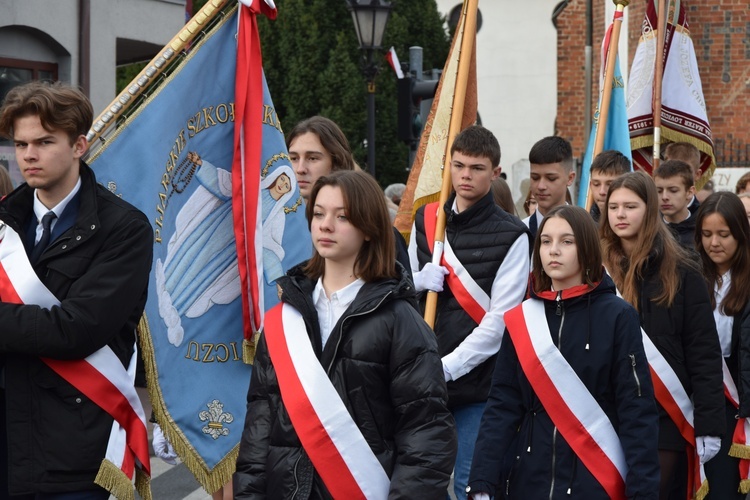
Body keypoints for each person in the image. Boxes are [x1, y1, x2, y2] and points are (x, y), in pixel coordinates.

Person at [233, 170, 457, 498]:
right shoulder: (285, 319)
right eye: (319, 214)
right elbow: (260, 426)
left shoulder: (401, 321)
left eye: (342, 216)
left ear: (368, 228)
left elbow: (425, 434)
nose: (325, 225)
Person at [0, 82, 153, 498]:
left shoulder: (124, 228)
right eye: (20, 143)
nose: (29, 155)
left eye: (45, 141)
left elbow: (77, 329)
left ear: (79, 145)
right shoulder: (4, 223)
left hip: (73, 452)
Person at [467, 205, 660, 499]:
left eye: (566, 242)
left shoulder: (619, 316)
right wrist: (482, 480)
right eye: (546, 241)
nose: (553, 251)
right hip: (528, 480)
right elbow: (502, 405)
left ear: (587, 249)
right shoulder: (521, 320)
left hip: (595, 478)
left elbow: (637, 411)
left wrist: (642, 491)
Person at [409, 125, 530, 500]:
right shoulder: (426, 220)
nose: (464, 175)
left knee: (469, 485)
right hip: (421, 382)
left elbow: (499, 323)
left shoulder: (513, 234)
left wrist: (446, 367)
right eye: (458, 165)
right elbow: (400, 295)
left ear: (495, 173)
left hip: (479, 387)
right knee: (419, 484)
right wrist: (416, 281)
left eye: (476, 168)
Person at [600, 171, 725, 499]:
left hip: (663, 417)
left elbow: (703, 350)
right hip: (604, 412)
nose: (621, 215)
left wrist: (709, 424)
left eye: (630, 206)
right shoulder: (592, 269)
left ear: (650, 209)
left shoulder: (683, 269)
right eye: (613, 207)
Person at [286, 115, 411, 279]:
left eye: (312, 158)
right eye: (293, 158)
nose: (300, 168)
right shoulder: (280, 228)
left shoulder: (380, 231)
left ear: (336, 161)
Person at [695, 192, 750, 499]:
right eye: (706, 234)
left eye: (723, 234)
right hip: (701, 393)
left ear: (740, 234)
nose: (714, 243)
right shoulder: (691, 276)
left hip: (737, 398)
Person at [524, 136, 575, 238]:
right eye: (535, 178)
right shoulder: (519, 232)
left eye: (551, 178)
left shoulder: (585, 230)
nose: (541, 186)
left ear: (570, 178)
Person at [653, 160, 697, 249]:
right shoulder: (649, 229)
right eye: (659, 191)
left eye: (673, 190)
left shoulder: (701, 229)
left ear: (689, 192)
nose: (664, 197)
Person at [588, 149, 630, 223]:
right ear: (591, 185)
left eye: (610, 184)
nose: (602, 191)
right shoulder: (583, 225)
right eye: (596, 184)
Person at [663, 142, 703, 215]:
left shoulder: (704, 217)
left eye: (685, 171)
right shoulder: (652, 215)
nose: (678, 177)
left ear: (697, 174)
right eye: (672, 170)